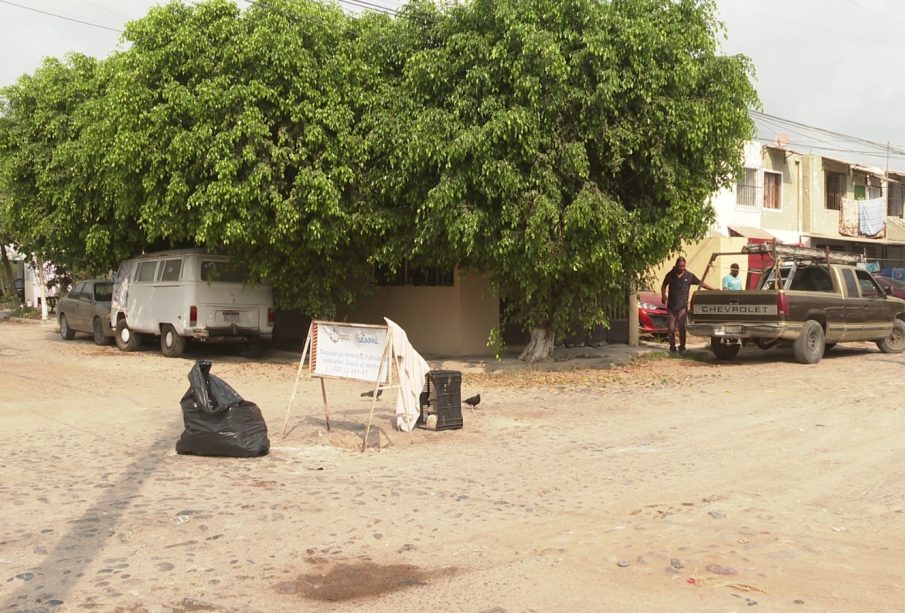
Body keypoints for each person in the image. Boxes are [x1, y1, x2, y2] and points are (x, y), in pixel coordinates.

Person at [661, 257, 713, 354]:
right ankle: (672, 347)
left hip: (682, 306)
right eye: (680, 266)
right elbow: (664, 285)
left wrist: (713, 290)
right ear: (676, 265)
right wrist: (663, 296)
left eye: (683, 266)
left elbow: (701, 283)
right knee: (671, 328)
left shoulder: (689, 276)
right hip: (671, 306)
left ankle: (682, 347)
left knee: (682, 328)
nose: (682, 268)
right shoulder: (670, 275)